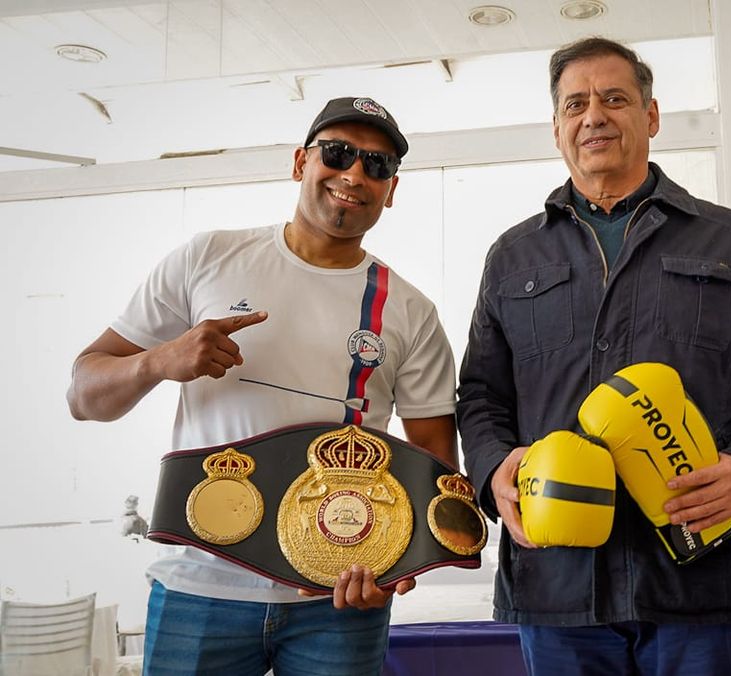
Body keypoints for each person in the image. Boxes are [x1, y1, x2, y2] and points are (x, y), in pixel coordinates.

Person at [66, 96, 458, 676]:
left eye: (376, 165)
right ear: (301, 161)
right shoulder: (209, 257)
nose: (354, 174)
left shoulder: (409, 308)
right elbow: (83, 393)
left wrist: (396, 567)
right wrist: (158, 361)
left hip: (337, 599)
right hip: (198, 587)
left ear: (391, 190)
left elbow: (433, 460)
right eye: (338, 153)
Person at [457, 37, 731, 675]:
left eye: (614, 98)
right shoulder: (512, 258)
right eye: (576, 103)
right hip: (557, 578)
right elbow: (480, 395)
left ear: (650, 116)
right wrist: (492, 471)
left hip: (701, 579)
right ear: (558, 127)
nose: (594, 115)